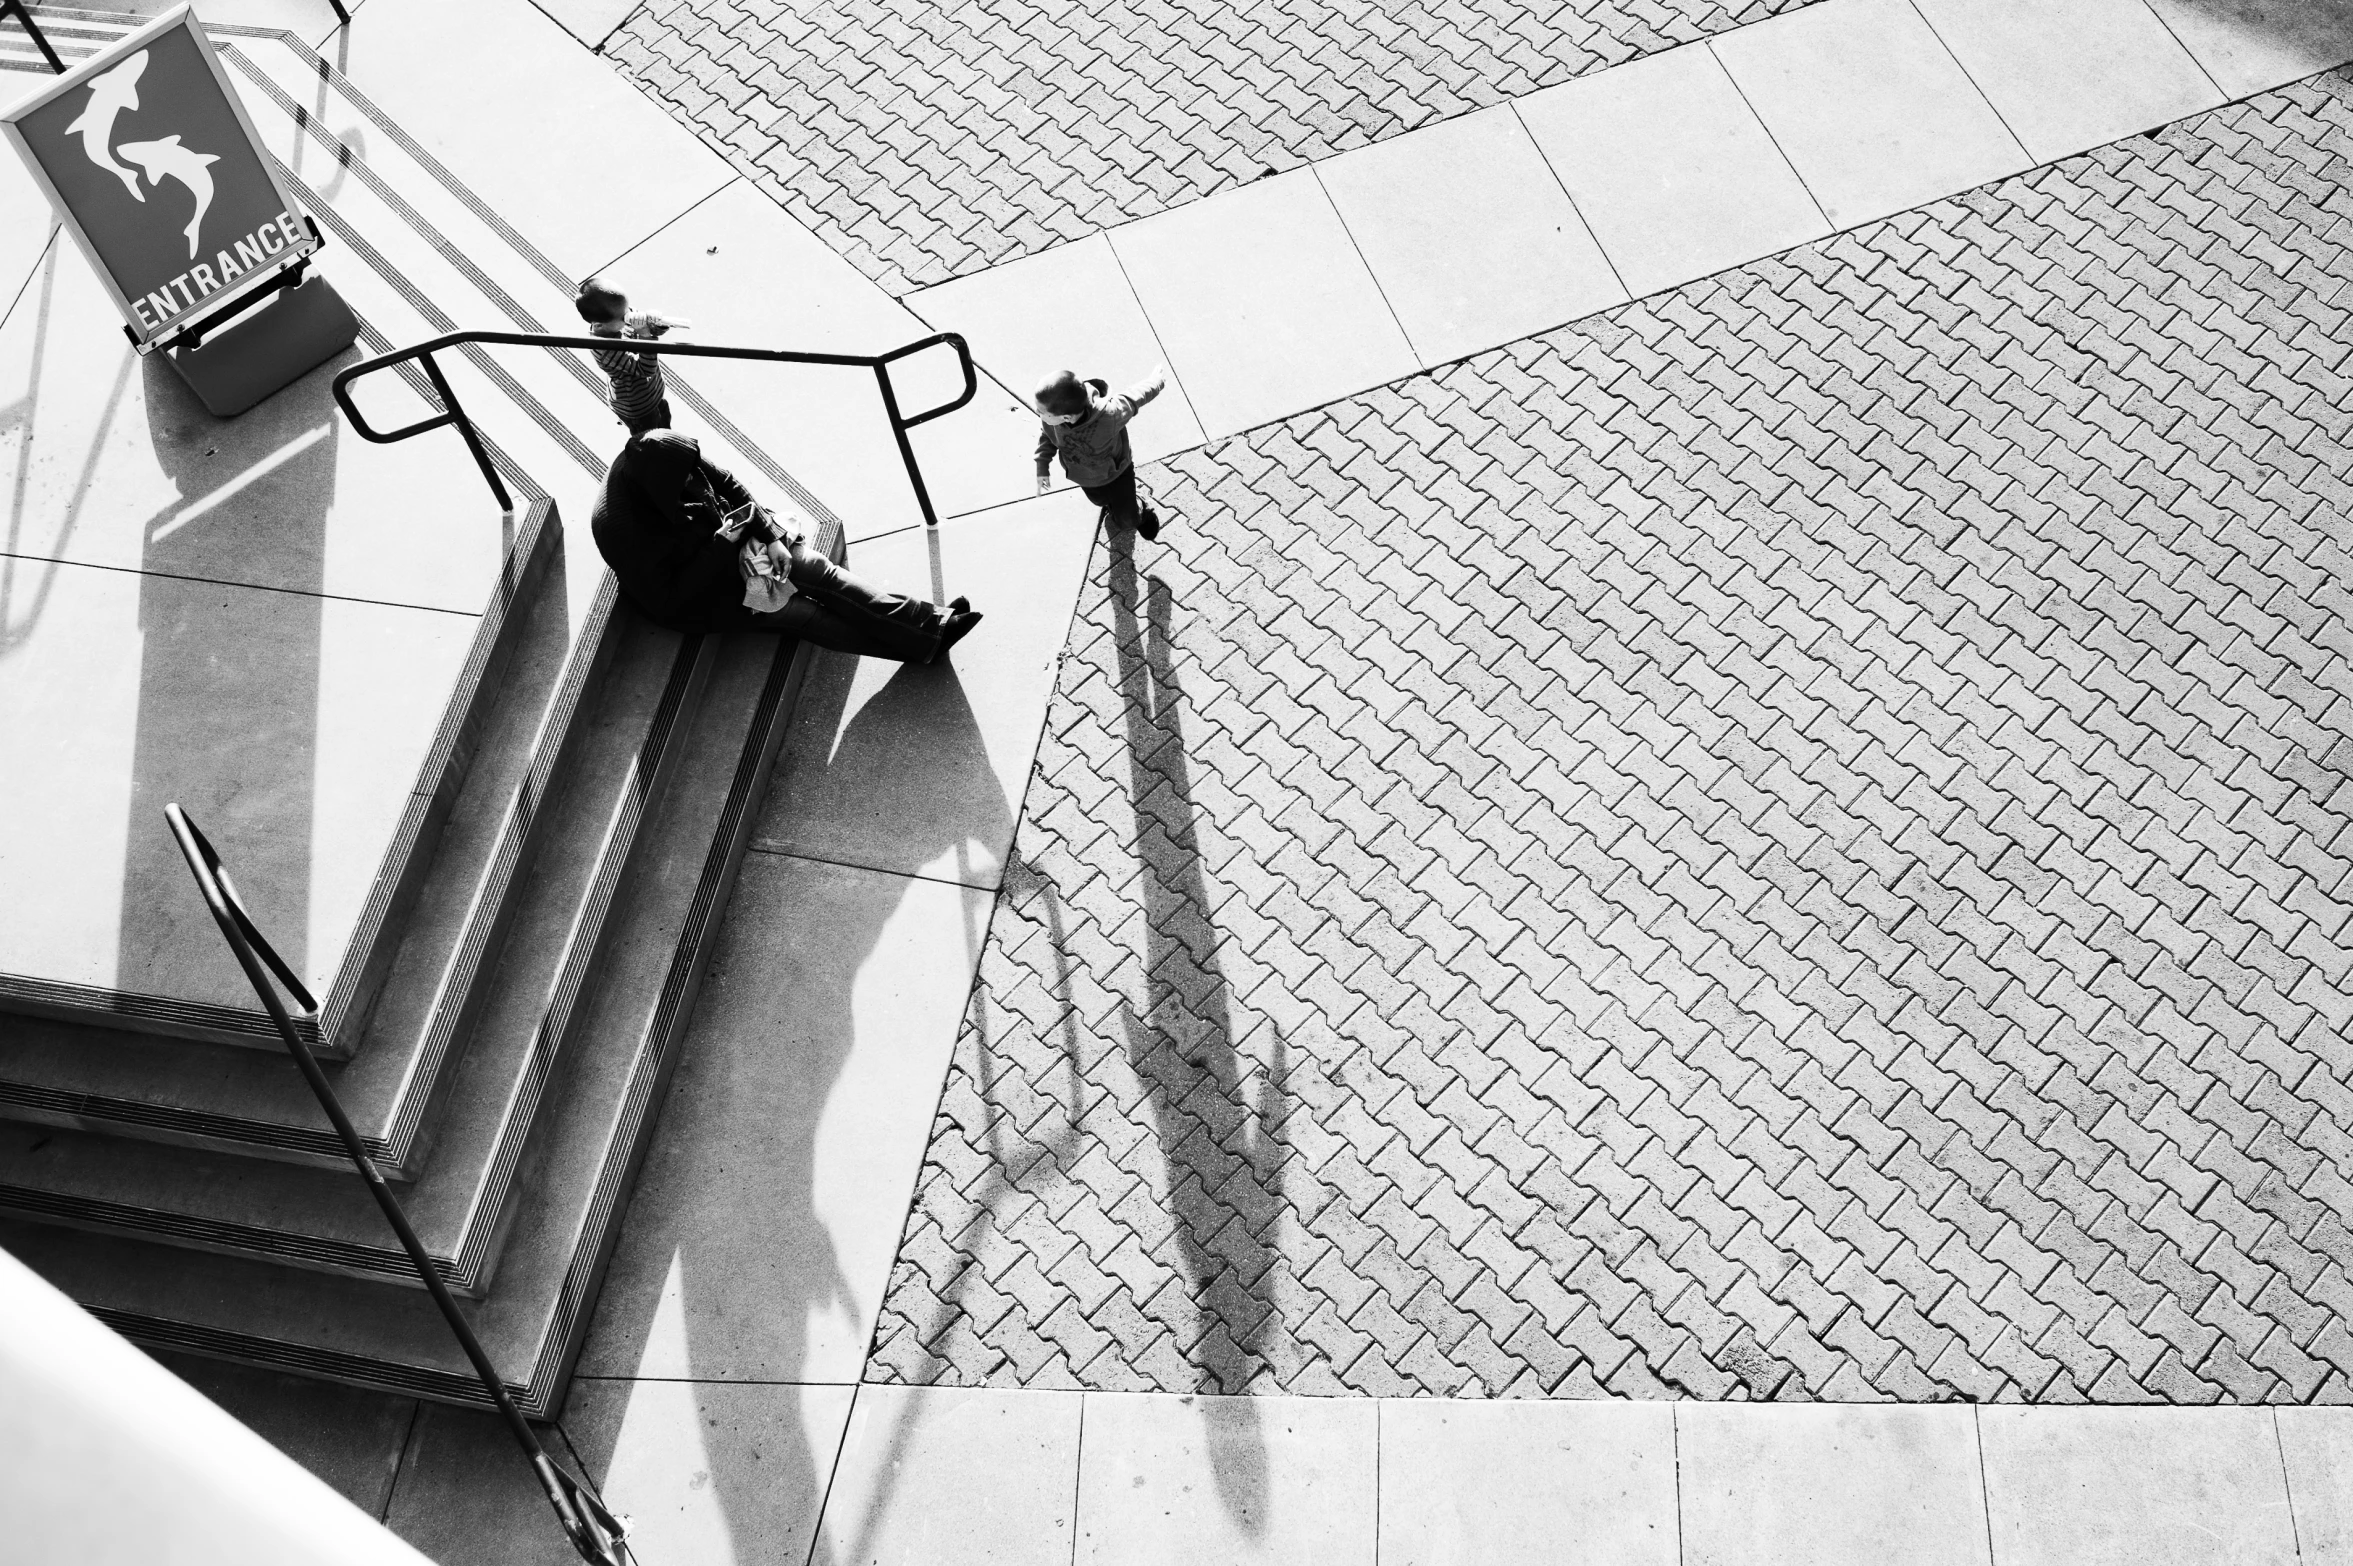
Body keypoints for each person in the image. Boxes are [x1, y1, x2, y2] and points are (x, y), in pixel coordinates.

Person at [592, 430, 981, 663]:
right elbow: (672, 599)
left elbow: (728, 483)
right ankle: (924, 643)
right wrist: (722, 545)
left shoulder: (667, 454)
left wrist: (770, 535)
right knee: (803, 614)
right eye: (687, 476)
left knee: (817, 570)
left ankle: (932, 625)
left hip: (741, 548)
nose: (695, 474)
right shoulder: (622, 530)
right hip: (704, 594)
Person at [1033, 364, 1168, 539]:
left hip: (1118, 473)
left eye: (1041, 412)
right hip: (1086, 477)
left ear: (1066, 417)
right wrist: (1042, 465)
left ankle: (1139, 510)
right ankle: (1116, 507)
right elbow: (1047, 437)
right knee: (1100, 501)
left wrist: (1156, 382)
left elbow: (1134, 397)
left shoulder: (1108, 416)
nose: (1038, 414)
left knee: (1128, 520)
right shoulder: (1051, 422)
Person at [576, 275, 675, 434]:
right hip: (636, 405)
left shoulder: (618, 316)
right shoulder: (605, 349)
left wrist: (655, 322)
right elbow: (646, 369)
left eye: (629, 308)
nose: (630, 315)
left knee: (664, 421)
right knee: (652, 441)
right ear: (599, 325)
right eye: (625, 316)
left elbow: (649, 328)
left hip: (652, 391)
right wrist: (644, 335)